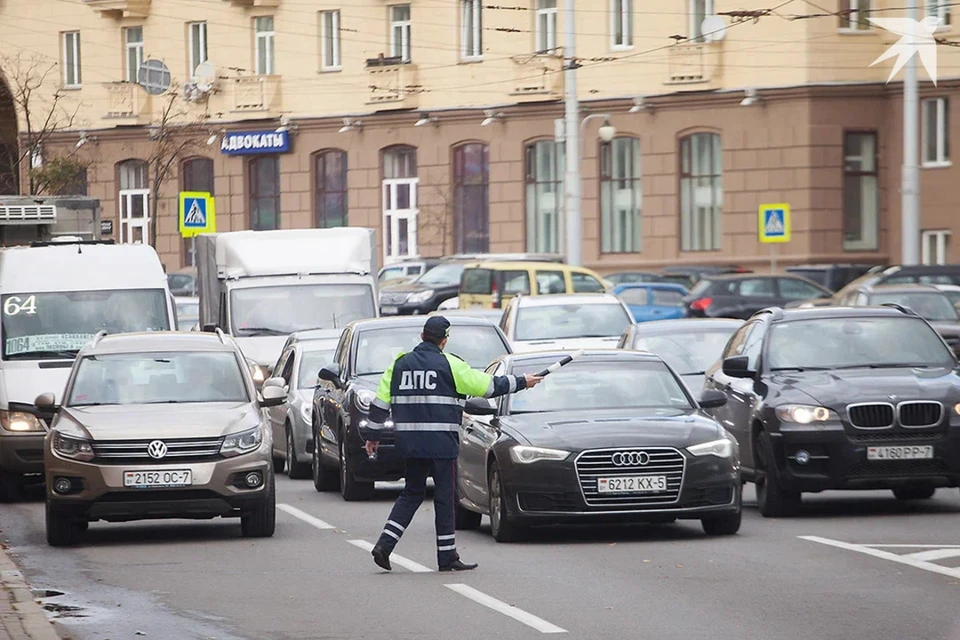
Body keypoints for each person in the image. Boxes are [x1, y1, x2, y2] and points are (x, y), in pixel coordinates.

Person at [363, 316, 543, 572]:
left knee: (412, 493)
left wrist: (373, 437)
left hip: (411, 444)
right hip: (441, 446)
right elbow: (488, 386)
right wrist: (523, 381)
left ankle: (384, 545)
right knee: (445, 498)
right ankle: (446, 556)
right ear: (444, 340)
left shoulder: (399, 364)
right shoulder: (451, 365)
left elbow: (380, 403)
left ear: (422, 336)